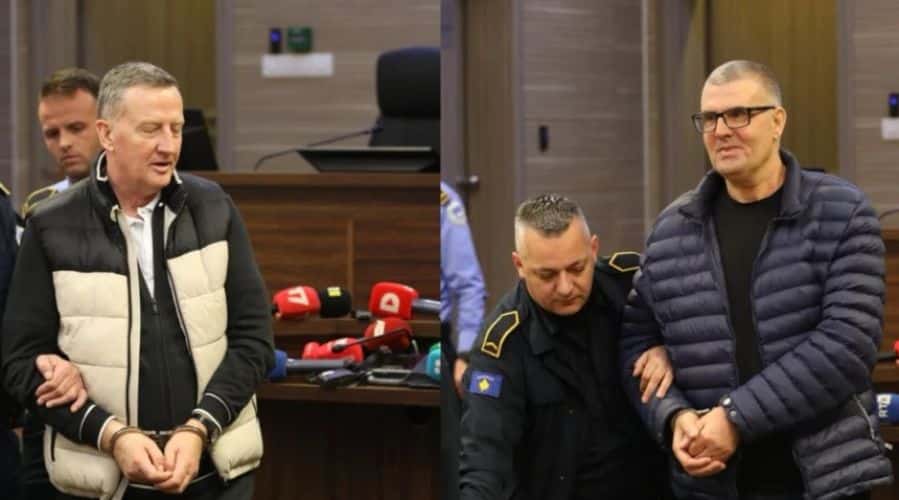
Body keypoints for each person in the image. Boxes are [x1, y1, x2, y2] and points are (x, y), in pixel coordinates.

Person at [619, 59, 892, 500]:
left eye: (739, 114)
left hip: (820, 482)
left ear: (777, 121)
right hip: (712, 484)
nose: (721, 130)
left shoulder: (842, 213)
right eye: (710, 118)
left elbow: (847, 348)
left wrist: (733, 419)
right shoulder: (672, 230)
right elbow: (636, 342)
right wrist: (672, 417)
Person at [2, 61, 274, 499]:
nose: (169, 146)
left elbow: (254, 341)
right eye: (151, 130)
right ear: (107, 134)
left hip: (214, 473)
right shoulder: (51, 225)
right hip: (102, 480)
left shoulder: (214, 208)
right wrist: (112, 435)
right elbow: (20, 363)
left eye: (176, 129)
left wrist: (199, 428)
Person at [459, 194, 672, 500]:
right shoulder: (501, 346)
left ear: (593, 249)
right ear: (519, 265)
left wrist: (667, 348)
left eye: (576, 268)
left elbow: (704, 335)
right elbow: (485, 458)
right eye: (547, 274)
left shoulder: (631, 286)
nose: (565, 287)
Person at [440, 181, 486, 500]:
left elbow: (469, 286)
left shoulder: (443, 200)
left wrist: (466, 353)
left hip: (437, 343)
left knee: (449, 459)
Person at [22, 68, 102, 220]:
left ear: (105, 128)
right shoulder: (40, 207)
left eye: (76, 128)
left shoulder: (142, 198)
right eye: (52, 134)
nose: (64, 143)